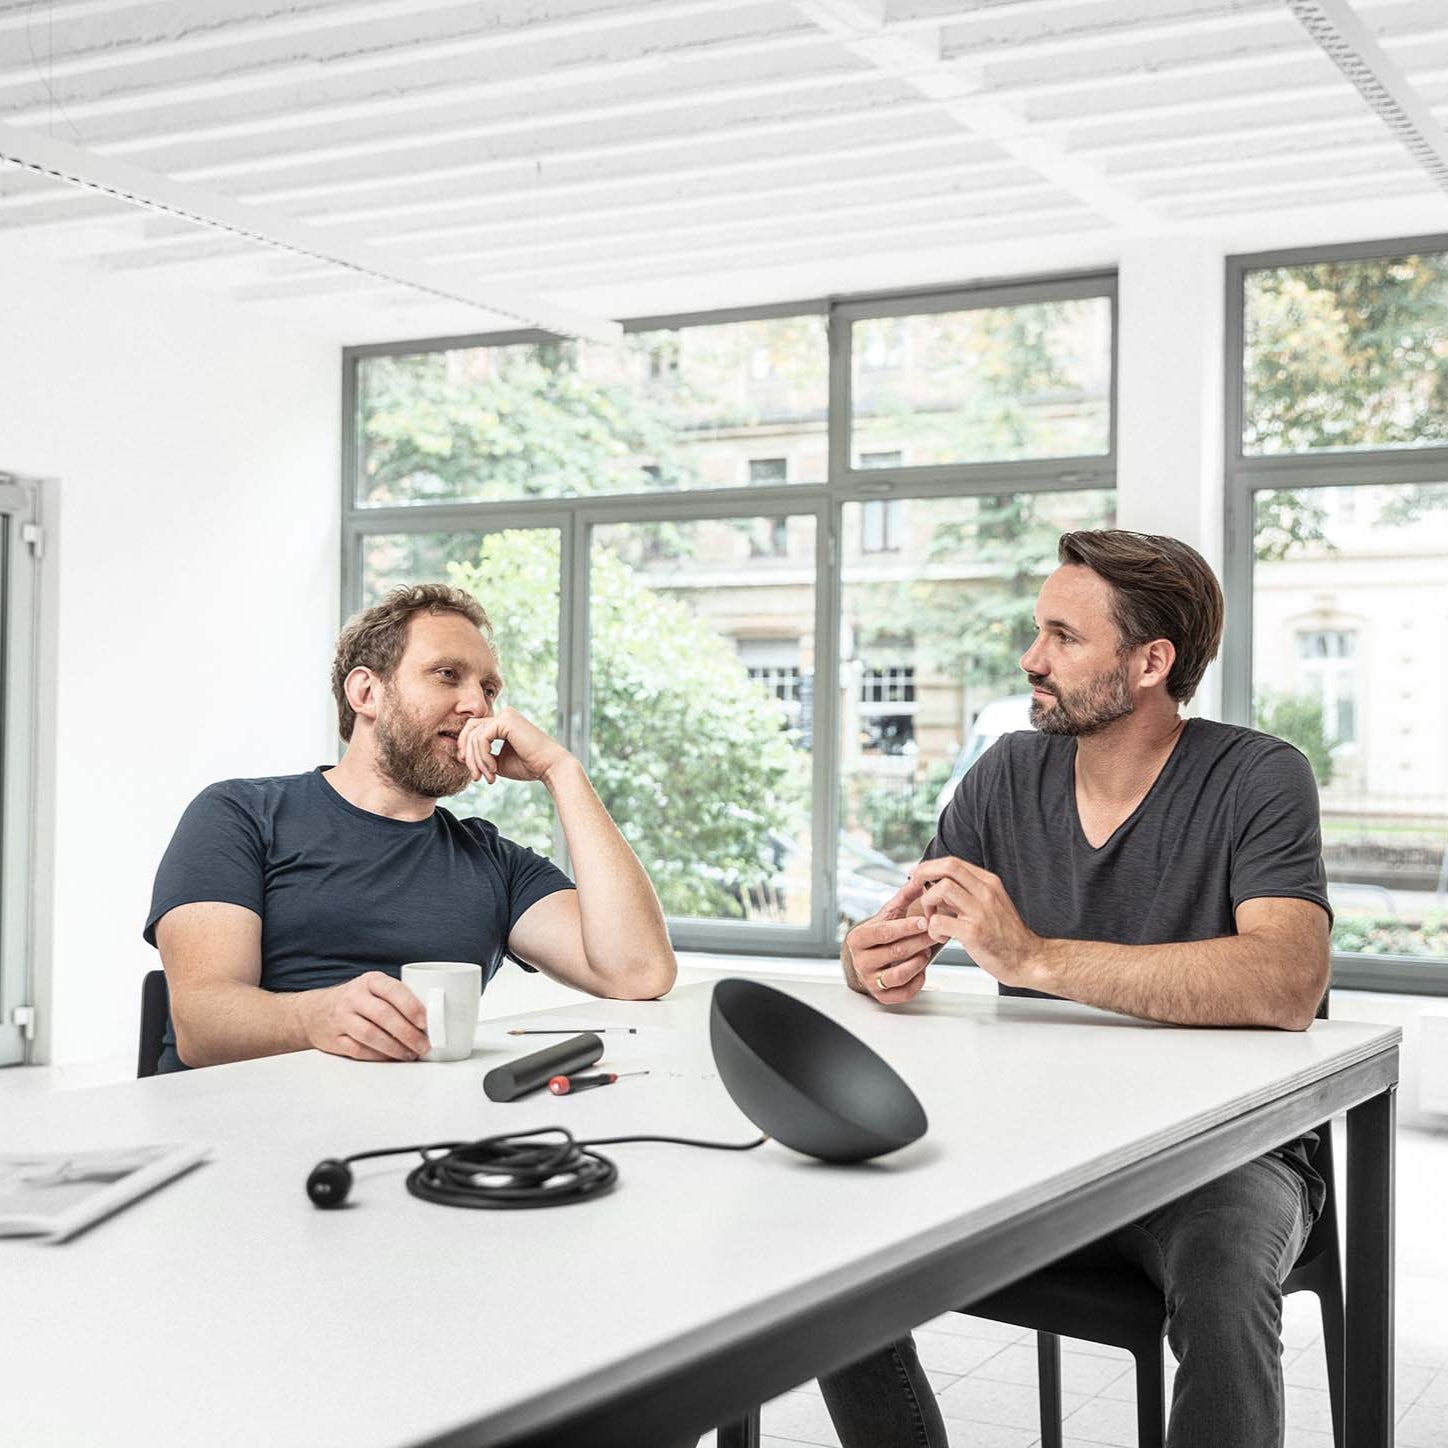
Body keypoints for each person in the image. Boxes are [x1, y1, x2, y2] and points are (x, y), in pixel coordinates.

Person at [818, 530, 1332, 1448]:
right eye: (1036, 631)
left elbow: (1288, 979)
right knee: (819, 1243)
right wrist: (871, 959)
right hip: (1036, 1143)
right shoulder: (1008, 773)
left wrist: (1039, 959)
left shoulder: (1259, 775)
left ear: (1150, 661)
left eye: (1062, 636)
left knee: (1222, 1279)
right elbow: (908, 933)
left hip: (1226, 1155)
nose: (1031, 659)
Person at [145, 583, 676, 1071]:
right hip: (238, 1132)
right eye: (448, 674)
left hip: (415, 1133)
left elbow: (637, 973)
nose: (477, 706)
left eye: (489, 689)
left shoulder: (492, 860)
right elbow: (201, 1023)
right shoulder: (240, 813)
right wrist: (316, 1018)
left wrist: (562, 773)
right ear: (366, 694)